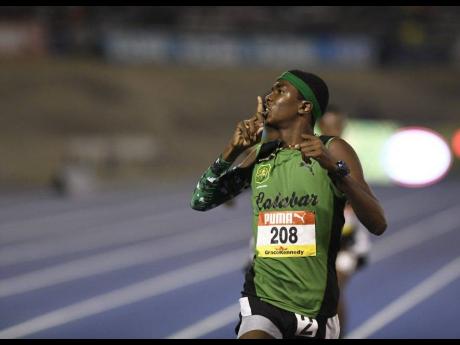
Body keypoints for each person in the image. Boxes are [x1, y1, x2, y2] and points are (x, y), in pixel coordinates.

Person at [190, 70, 387, 339]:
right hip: (263, 298)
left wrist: (335, 170)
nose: (268, 97)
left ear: (304, 106)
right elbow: (201, 200)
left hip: (315, 306)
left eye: (279, 91)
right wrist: (232, 151)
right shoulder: (260, 155)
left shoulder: (334, 149)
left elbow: (378, 223)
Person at [318, 106, 372, 337]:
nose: (334, 130)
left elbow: (362, 198)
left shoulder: (350, 155)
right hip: (316, 239)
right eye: (329, 126)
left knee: (335, 291)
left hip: (347, 242)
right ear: (320, 126)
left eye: (337, 126)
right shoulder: (309, 154)